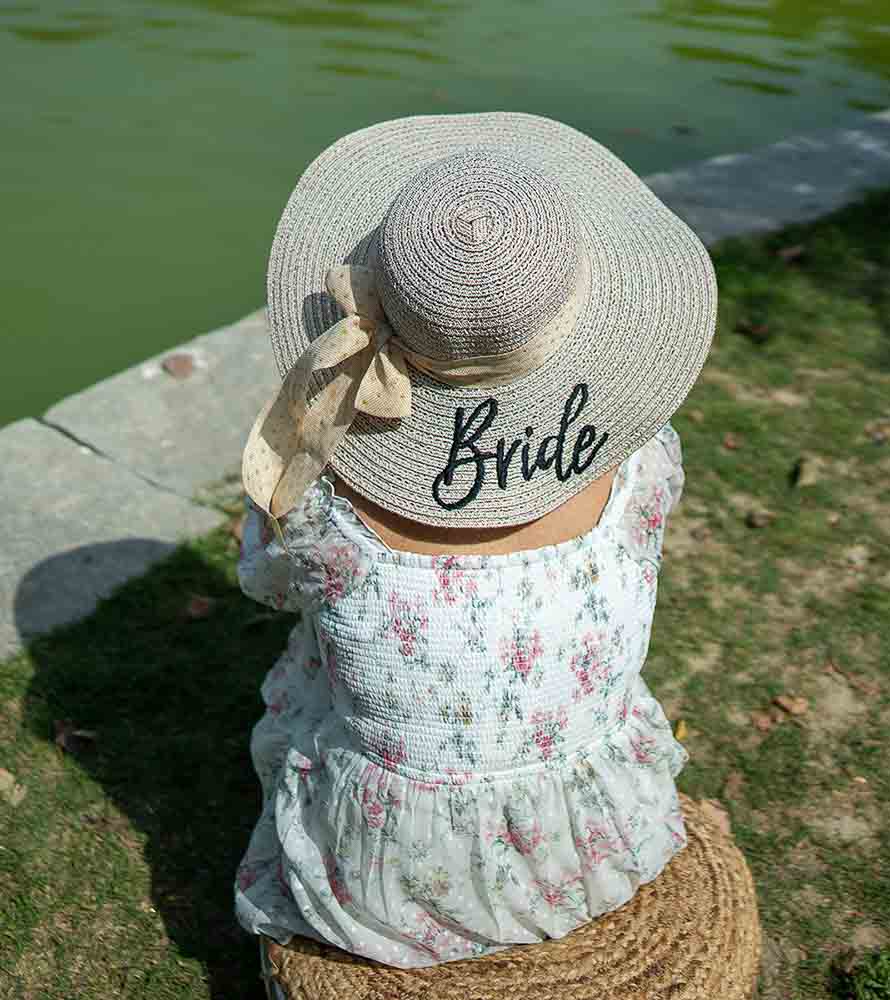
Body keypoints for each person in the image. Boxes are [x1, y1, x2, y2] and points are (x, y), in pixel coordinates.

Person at [234, 111, 717, 972]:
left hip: (387, 879)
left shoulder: (322, 503)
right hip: (596, 848)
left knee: (321, 637)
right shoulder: (642, 466)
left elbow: (264, 582)